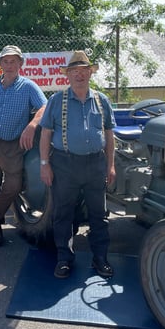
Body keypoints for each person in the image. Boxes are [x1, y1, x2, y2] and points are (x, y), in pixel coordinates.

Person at [39, 50, 116, 279]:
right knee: (63, 213)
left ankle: (100, 259)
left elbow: (109, 135)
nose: (80, 75)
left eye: (84, 71)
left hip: (95, 164)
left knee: (98, 215)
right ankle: (64, 259)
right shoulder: (56, 100)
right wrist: (44, 164)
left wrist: (110, 165)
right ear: (68, 76)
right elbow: (45, 134)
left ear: (90, 73)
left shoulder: (102, 100)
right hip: (65, 164)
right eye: (75, 71)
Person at [0, 45, 48, 246]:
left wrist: (33, 124)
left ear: (20, 64)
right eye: (5, 61)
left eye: (13, 61)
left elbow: (44, 106)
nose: (9, 65)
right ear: (0, 64)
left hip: (14, 144)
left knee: (14, 185)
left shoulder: (28, 86)